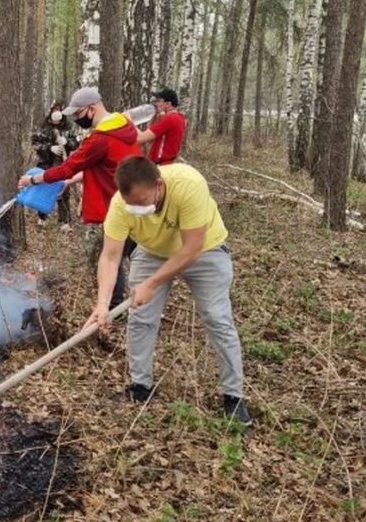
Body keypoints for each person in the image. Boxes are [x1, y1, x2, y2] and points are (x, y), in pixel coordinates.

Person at [85, 156, 251, 425]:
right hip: (152, 252)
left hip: (205, 249)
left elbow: (191, 248)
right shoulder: (119, 206)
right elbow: (110, 257)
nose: (135, 209)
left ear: (159, 186)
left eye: (141, 202)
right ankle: (141, 388)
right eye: (131, 204)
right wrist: (102, 303)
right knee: (141, 318)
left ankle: (234, 399)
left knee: (217, 319)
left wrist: (151, 284)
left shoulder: (188, 184)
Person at [17, 87, 141, 308]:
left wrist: (33, 180)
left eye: (77, 114)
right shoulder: (124, 127)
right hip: (134, 203)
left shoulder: (100, 139)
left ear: (91, 109)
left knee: (107, 259)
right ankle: (125, 302)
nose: (75, 119)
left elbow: (68, 167)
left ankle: (114, 309)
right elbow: (101, 167)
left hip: (117, 207)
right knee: (130, 255)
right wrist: (68, 183)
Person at [136, 88, 186, 165]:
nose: (156, 104)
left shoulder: (169, 119)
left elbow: (140, 138)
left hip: (160, 166)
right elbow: (149, 138)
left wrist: (128, 122)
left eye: (159, 101)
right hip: (167, 164)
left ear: (168, 104)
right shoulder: (179, 117)